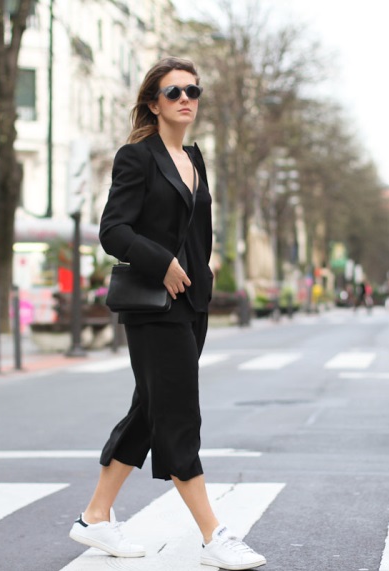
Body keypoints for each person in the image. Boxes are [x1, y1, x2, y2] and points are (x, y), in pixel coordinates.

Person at [69, 57, 266, 570]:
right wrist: (163, 263)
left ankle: (95, 517)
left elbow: (196, 232)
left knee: (150, 411)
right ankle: (214, 535)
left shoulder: (195, 159)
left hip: (191, 304)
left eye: (192, 91)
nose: (185, 99)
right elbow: (114, 230)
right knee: (179, 415)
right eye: (173, 91)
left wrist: (204, 272)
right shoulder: (136, 157)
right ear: (153, 103)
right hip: (153, 308)